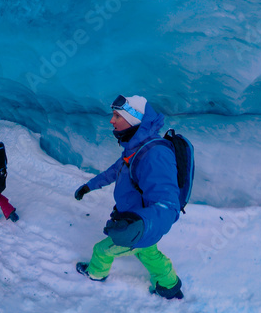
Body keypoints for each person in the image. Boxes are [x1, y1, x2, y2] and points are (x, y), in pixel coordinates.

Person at [73, 95, 183, 299]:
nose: (111, 120)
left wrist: (139, 226)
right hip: (136, 223)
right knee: (150, 254)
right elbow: (112, 172)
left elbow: (167, 204)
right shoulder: (135, 149)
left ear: (133, 120)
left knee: (102, 250)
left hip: (137, 227)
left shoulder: (154, 154)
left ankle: (96, 274)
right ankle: (169, 285)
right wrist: (88, 187)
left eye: (117, 115)